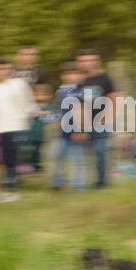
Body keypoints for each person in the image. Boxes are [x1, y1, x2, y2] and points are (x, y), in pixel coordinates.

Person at [0, 57, 37, 191]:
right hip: (1, 126)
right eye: (0, 69)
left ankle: (16, 179)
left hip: (18, 124)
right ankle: (9, 178)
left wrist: (28, 118)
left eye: (6, 68)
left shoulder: (19, 83)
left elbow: (28, 102)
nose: (3, 71)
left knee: (18, 154)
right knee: (6, 155)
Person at [76, 50, 120, 188]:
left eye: (90, 60)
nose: (86, 63)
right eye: (83, 60)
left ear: (96, 61)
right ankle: (87, 182)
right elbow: (81, 105)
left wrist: (108, 119)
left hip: (102, 123)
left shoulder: (105, 78)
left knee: (101, 152)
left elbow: (113, 99)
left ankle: (102, 182)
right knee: (88, 154)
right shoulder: (81, 81)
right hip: (87, 124)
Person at [50, 62, 87, 191]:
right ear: (63, 76)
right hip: (62, 131)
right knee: (58, 157)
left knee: (78, 159)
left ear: (80, 75)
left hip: (76, 130)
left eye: (75, 73)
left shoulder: (80, 91)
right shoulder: (60, 91)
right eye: (68, 73)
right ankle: (58, 183)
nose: (71, 76)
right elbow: (59, 111)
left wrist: (81, 130)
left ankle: (78, 185)